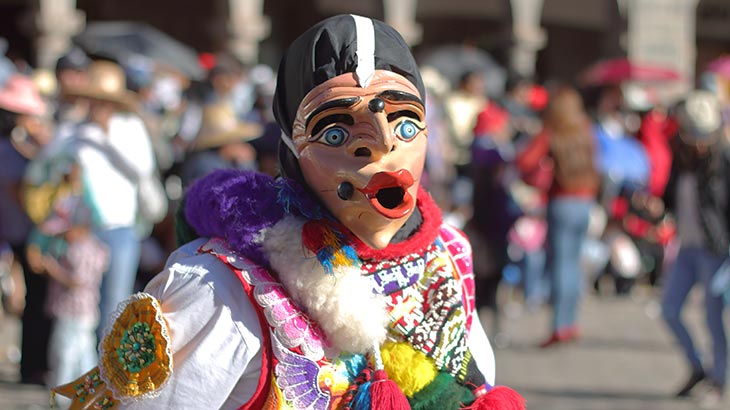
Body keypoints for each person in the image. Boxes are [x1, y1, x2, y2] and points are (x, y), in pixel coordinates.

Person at [53, 15, 525, 410]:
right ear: (292, 152)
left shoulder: (447, 258)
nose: (381, 146)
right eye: (337, 132)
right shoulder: (219, 289)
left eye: (405, 121)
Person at [60, 60, 161, 337]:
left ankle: (108, 372)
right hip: (82, 230)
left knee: (114, 304)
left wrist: (107, 139)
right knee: (80, 306)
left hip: (120, 227)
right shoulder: (73, 129)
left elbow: (141, 169)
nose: (98, 107)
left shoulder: (129, 127)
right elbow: (55, 165)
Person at [516, 85, 600, 348]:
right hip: (586, 200)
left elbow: (525, 162)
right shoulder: (585, 127)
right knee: (574, 262)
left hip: (562, 200)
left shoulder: (553, 130)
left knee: (561, 263)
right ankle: (571, 321)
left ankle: (559, 326)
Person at [661, 90, 729, 406]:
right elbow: (672, 194)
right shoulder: (682, 154)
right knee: (670, 309)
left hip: (716, 249)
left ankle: (719, 379)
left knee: (714, 318)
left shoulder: (723, 159)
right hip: (686, 246)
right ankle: (697, 366)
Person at [37, 160, 108, 399]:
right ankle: (86, 395)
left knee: (64, 353)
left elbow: (76, 281)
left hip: (74, 311)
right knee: (83, 354)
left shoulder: (80, 250)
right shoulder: (93, 247)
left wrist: (52, 269)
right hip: (84, 312)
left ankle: (61, 397)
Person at [0, 74, 53, 384]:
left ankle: (31, 365)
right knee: (32, 300)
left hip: (18, 233)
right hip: (20, 232)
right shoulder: (16, 150)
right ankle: (32, 366)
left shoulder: (23, 146)